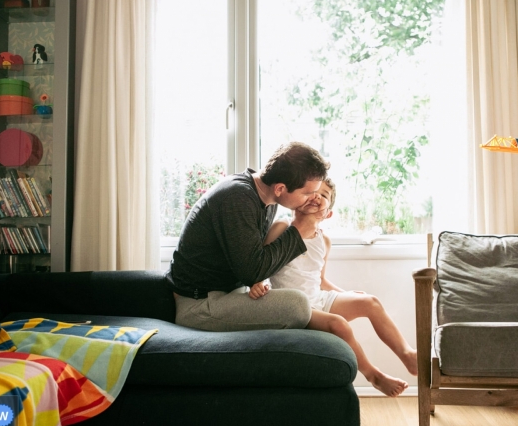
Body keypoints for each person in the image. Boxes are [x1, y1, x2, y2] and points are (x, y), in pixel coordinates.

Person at [250, 179, 417, 397]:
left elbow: (320, 280)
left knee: (370, 302)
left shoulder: (323, 241)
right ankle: (373, 375)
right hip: (294, 306)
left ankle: (408, 355)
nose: (317, 196)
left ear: (328, 213)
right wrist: (259, 282)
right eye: (312, 192)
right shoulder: (282, 227)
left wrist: (344, 294)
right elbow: (263, 264)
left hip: (317, 298)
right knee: (339, 325)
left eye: (324, 195)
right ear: (297, 200)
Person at [166, 142, 330, 332]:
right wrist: (299, 230)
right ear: (280, 188)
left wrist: (258, 283)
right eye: (308, 193)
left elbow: (253, 262)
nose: (312, 198)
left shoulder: (267, 198)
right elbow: (253, 271)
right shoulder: (237, 198)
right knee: (298, 305)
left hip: (230, 293)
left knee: (305, 303)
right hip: (200, 303)